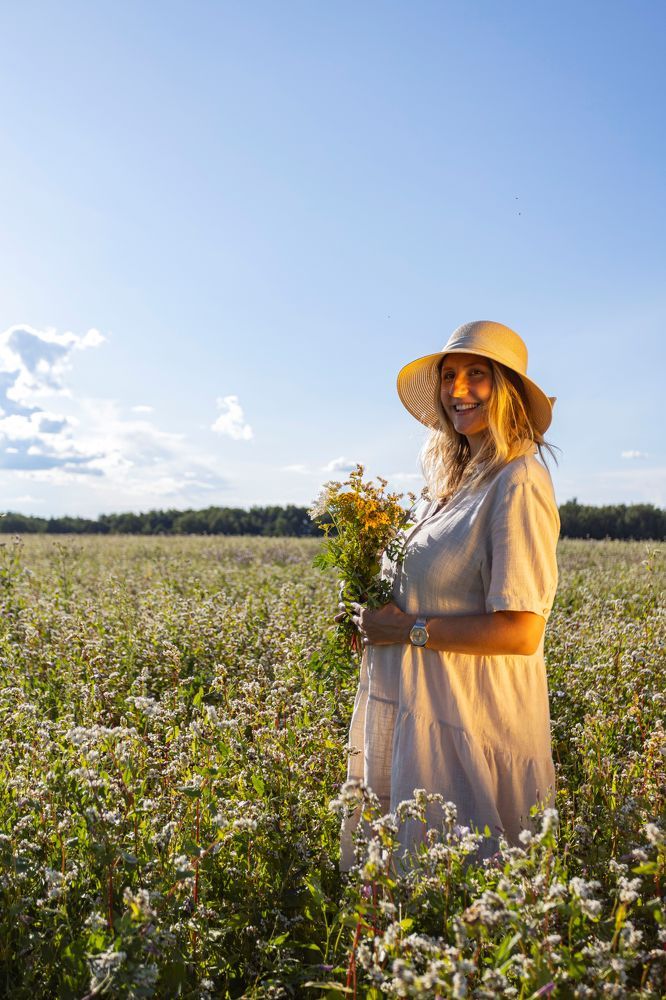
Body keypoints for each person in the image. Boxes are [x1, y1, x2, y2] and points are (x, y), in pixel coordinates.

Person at [339, 320, 560, 870]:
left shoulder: (518, 481)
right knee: (405, 906)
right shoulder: (450, 486)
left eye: (476, 375)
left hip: (468, 733)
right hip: (417, 724)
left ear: (505, 389)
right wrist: (372, 619)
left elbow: (521, 630)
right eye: (450, 376)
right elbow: (424, 593)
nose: (458, 389)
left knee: (465, 906)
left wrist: (407, 630)